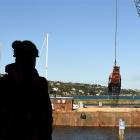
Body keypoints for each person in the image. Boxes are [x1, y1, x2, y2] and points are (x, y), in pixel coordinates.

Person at [0, 40, 53, 140]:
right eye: (32, 58)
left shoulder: (4, 83)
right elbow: (46, 117)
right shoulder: (40, 83)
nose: (33, 61)